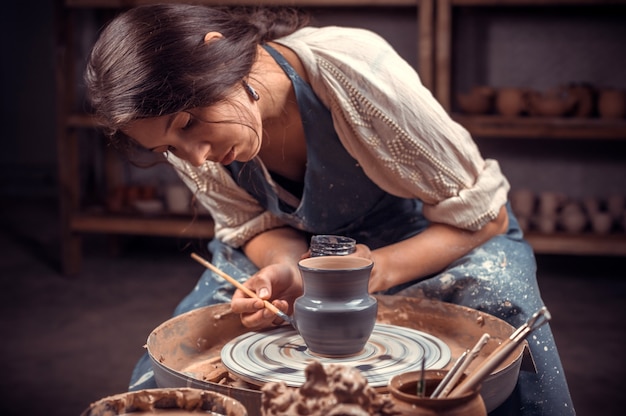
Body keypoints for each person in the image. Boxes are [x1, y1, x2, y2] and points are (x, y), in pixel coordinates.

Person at [85, 4, 575, 415]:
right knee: (178, 358)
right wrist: (287, 272)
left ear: (216, 55)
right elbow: (253, 225)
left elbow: (482, 215)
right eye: (169, 148)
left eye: (188, 123)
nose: (194, 158)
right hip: (303, 255)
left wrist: (360, 274)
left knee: (498, 315)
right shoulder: (198, 146)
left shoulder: (353, 70)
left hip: (429, 238)